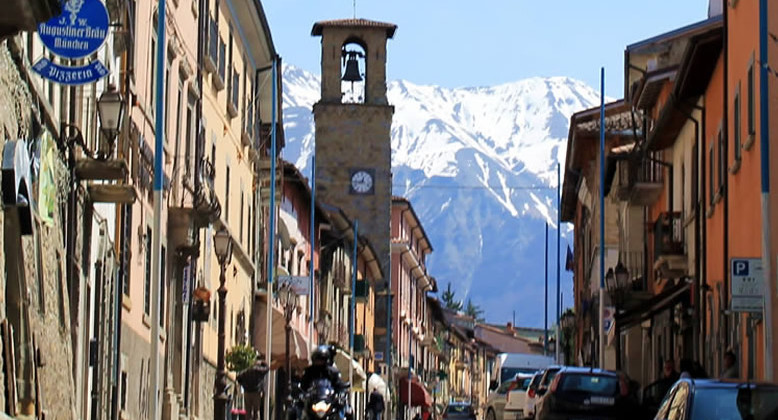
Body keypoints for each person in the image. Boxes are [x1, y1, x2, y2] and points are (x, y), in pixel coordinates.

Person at [237, 356, 270, 420]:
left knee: (248, 411)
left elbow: (238, 377)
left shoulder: (247, 370)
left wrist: (243, 385)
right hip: (256, 392)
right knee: (256, 411)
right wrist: (263, 362)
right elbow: (267, 368)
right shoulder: (259, 370)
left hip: (247, 392)